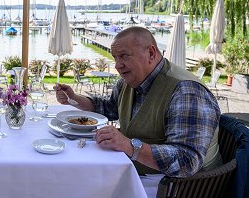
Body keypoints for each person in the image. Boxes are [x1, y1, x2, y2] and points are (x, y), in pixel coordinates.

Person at [54, 26, 221, 181]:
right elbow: (109, 108)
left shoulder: (187, 91)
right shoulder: (130, 80)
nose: (118, 66)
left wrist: (129, 146)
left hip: (178, 186)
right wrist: (73, 98)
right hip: (137, 173)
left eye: (124, 56)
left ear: (151, 53)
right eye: (115, 58)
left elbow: (186, 161)